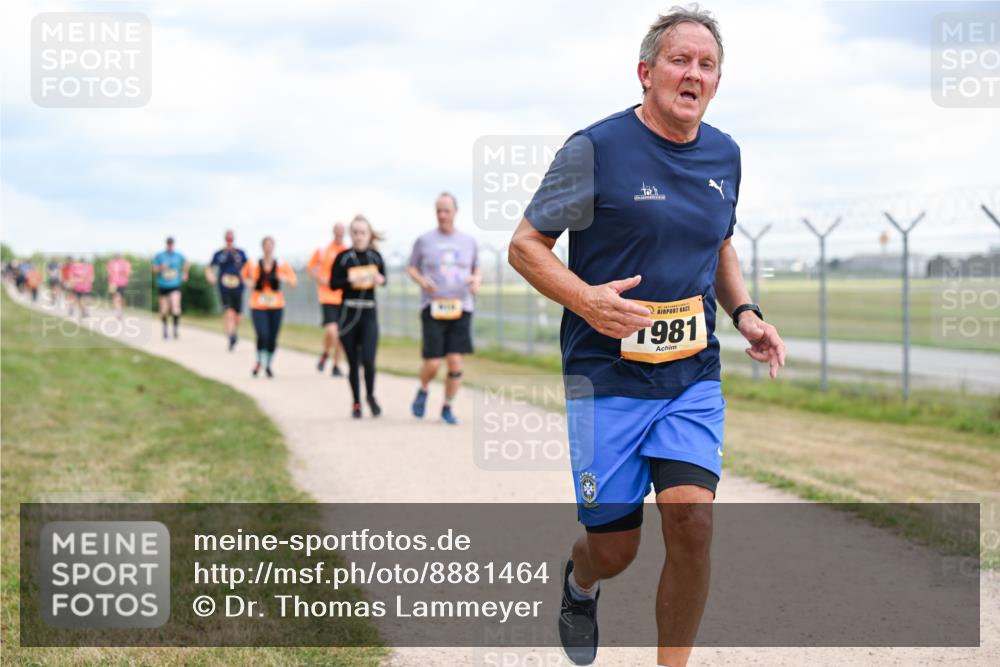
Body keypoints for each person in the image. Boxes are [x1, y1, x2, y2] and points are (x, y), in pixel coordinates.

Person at [507, 8, 786, 667]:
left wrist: (745, 312)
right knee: (614, 549)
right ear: (646, 72)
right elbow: (525, 246)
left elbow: (718, 244)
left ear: (717, 81)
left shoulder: (726, 154)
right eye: (679, 60)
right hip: (607, 377)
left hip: (690, 375)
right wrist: (585, 299)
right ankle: (580, 584)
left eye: (706, 64)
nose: (693, 72)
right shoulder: (595, 148)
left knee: (693, 520)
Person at [407, 192, 481, 425]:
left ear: (455, 212)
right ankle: (423, 388)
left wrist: (476, 280)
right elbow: (411, 267)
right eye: (438, 210)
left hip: (462, 307)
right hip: (433, 306)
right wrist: (422, 281)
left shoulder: (469, 242)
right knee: (433, 361)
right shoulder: (424, 240)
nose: (442, 215)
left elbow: (477, 269)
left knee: (455, 361)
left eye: (446, 210)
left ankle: (447, 407)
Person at [329, 215, 386, 419]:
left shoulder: (375, 258)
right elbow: (333, 283)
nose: (359, 236)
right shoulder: (344, 257)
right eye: (355, 232)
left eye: (363, 232)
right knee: (353, 362)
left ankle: (370, 395)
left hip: (368, 312)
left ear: (369, 235)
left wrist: (379, 279)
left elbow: (383, 278)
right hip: (348, 312)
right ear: (350, 234)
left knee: (369, 360)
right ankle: (356, 402)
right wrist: (352, 280)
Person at [241, 236, 297, 378]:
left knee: (272, 337)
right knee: (262, 334)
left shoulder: (281, 264)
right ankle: (259, 361)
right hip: (258, 304)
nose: (268, 247)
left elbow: (293, 281)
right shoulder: (253, 263)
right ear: (262, 247)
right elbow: (243, 276)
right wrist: (249, 282)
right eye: (266, 245)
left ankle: (269, 365)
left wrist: (283, 278)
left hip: (276, 305)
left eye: (271, 245)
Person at [306, 222, 348, 376]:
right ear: (333, 232)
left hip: (343, 297)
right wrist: (319, 279)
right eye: (337, 231)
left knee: (341, 334)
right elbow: (310, 268)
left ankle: (335, 365)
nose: (339, 234)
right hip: (327, 297)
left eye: (342, 231)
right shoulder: (323, 250)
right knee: (332, 332)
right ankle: (325, 353)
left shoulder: (346, 251)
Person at [205, 230, 249, 351]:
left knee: (238, 316)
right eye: (228, 239)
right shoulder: (219, 254)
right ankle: (231, 338)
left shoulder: (241, 253)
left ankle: (233, 332)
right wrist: (210, 276)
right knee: (229, 313)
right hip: (224, 288)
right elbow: (209, 267)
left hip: (238, 288)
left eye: (231, 239)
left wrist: (248, 279)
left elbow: (249, 268)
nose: (229, 241)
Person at [152, 237, 189, 340]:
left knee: (175, 307)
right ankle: (165, 330)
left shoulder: (178, 255)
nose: (170, 245)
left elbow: (186, 262)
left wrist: (185, 273)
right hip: (163, 285)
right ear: (166, 244)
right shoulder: (160, 256)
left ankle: (175, 329)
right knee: (164, 310)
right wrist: (160, 268)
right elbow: (153, 269)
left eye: (171, 244)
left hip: (175, 285)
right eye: (169, 244)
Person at [105, 253, 132, 318]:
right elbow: (128, 273)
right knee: (118, 297)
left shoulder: (111, 263)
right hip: (121, 282)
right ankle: (119, 311)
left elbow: (108, 273)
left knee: (116, 297)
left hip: (114, 282)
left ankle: (119, 310)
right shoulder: (126, 263)